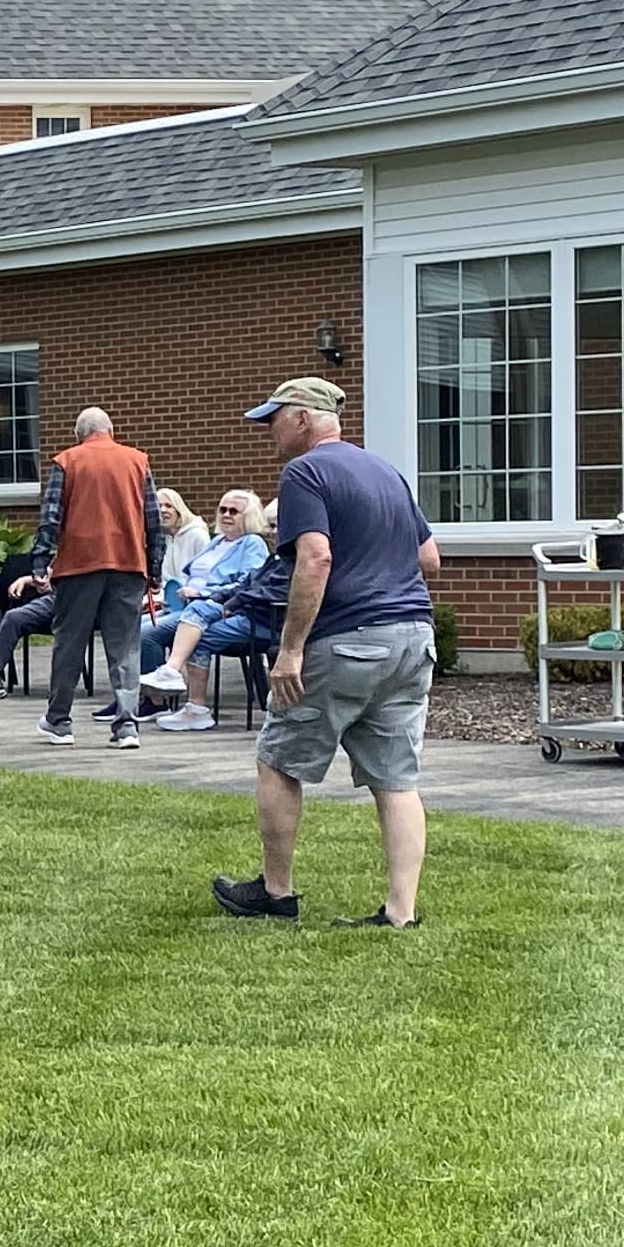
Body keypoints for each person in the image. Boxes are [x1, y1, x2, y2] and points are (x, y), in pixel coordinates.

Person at [213, 377, 438, 930]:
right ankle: (401, 913)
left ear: (303, 418)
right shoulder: (386, 471)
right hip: (413, 638)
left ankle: (276, 892)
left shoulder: (305, 473)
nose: (269, 430)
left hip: (347, 639)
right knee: (396, 778)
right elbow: (428, 558)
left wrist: (290, 651)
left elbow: (315, 559)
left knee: (279, 760)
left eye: (275, 418)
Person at [7, 404, 158, 749]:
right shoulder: (138, 461)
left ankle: (59, 721)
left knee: (70, 644)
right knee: (125, 647)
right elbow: (152, 518)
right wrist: (155, 567)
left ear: (79, 435)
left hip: (80, 566)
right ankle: (126, 725)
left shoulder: (68, 461)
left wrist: (39, 563)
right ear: (111, 431)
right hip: (128, 564)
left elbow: (51, 517)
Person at [136, 488, 273, 729]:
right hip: (187, 605)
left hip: (225, 607)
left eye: (234, 511)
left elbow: (248, 583)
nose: (226, 515)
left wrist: (203, 593)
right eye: (223, 510)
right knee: (138, 626)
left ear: (249, 516)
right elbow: (192, 575)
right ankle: (169, 698)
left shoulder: (252, 543)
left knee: (150, 634)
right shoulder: (217, 541)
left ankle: (163, 687)